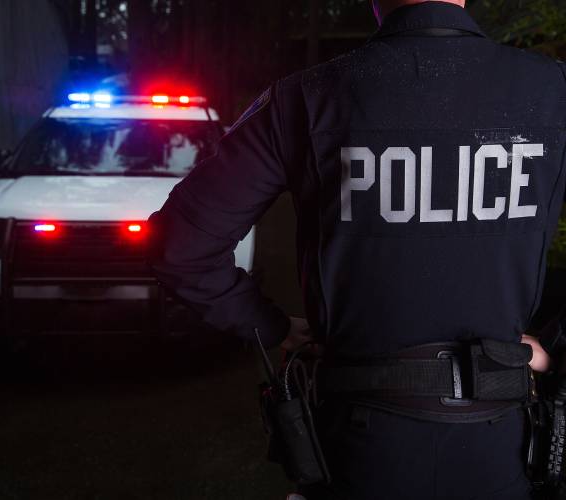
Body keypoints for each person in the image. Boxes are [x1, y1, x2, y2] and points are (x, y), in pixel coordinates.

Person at [147, 0, 565, 498]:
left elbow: (181, 246)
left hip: (358, 450)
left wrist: (272, 326)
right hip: (500, 446)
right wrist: (555, 345)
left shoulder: (305, 97)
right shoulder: (554, 90)